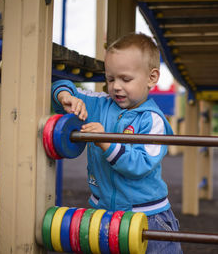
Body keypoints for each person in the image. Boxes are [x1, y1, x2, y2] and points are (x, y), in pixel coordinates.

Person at [52, 33, 182, 253]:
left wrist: (106, 142)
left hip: (147, 216)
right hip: (103, 214)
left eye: (126, 79)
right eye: (110, 79)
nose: (116, 87)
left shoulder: (152, 120)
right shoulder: (100, 105)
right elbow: (63, 86)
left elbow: (139, 165)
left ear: (151, 78)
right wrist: (67, 97)